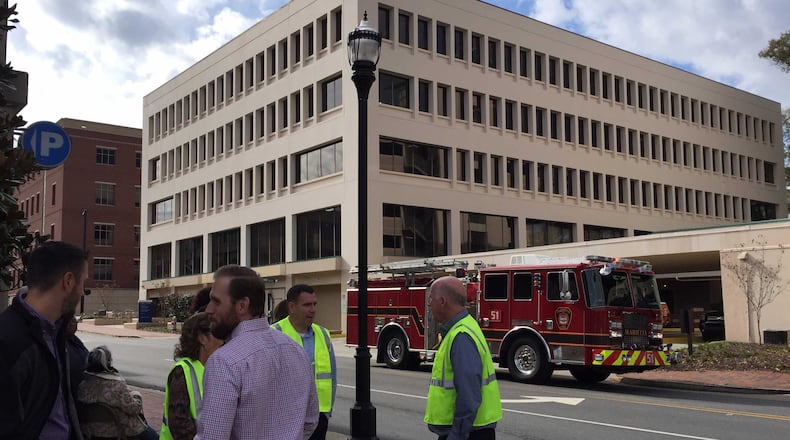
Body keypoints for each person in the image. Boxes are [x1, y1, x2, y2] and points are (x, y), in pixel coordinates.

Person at [196, 265, 319, 440]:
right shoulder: (296, 351)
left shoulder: (224, 361)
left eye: (216, 301)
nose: (208, 309)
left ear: (242, 305)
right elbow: (309, 422)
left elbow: (212, 437)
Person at [0, 240, 88, 440]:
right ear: (68, 281)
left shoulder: (56, 333)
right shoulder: (9, 342)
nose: (83, 291)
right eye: (83, 282)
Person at [424, 276, 502, 440]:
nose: (429, 304)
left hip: (468, 433)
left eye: (431, 299)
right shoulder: (466, 326)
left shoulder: (461, 335)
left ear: (442, 301)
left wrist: (456, 436)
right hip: (471, 430)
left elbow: (469, 396)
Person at [272, 285, 337, 440]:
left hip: (319, 416)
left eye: (315, 304)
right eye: (307, 305)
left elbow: (332, 376)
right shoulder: (274, 333)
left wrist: (326, 414)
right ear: (292, 307)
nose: (313, 309)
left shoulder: (323, 334)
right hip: (286, 416)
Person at [160, 312, 222, 440]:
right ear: (202, 338)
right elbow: (179, 426)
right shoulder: (182, 372)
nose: (224, 339)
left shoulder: (216, 368)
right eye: (218, 333)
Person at [76, 346, 159, 440]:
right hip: (118, 431)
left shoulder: (82, 386)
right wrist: (136, 395)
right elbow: (133, 409)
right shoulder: (116, 385)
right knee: (153, 436)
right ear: (108, 363)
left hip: (91, 432)